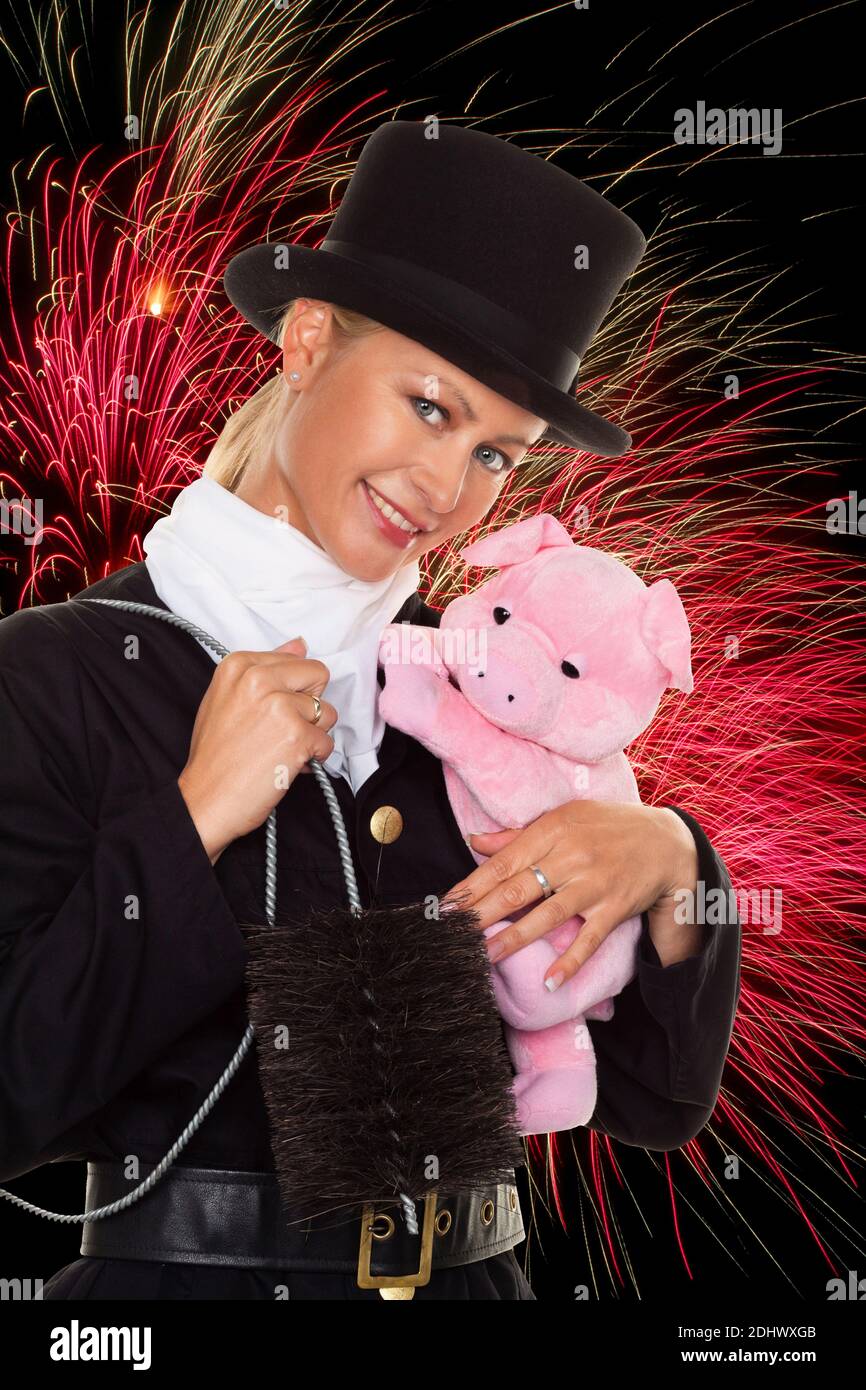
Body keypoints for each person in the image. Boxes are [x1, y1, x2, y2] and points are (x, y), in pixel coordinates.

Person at [0, 122, 741, 1300]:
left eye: (499, 454)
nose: (449, 491)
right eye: (431, 407)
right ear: (303, 343)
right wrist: (192, 820)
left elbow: (654, 1098)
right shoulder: (57, 673)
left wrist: (668, 858)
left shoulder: (487, 691)